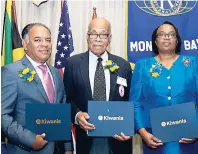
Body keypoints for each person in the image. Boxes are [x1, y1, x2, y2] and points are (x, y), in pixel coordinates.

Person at [129, 21, 198, 154]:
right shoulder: (142, 66)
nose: (167, 37)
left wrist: (197, 126)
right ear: (155, 41)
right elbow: (135, 102)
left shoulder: (191, 63)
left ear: (177, 40)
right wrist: (142, 132)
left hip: (187, 138)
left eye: (171, 34)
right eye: (162, 34)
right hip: (154, 139)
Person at [63, 17, 132, 154]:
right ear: (87, 37)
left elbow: (132, 100)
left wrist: (130, 127)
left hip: (118, 137)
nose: (98, 38)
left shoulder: (123, 65)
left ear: (110, 38)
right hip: (86, 136)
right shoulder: (73, 63)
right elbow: (66, 99)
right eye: (93, 34)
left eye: (103, 34)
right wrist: (77, 115)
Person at [1, 23, 73, 154]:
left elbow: (62, 112)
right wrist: (30, 139)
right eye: (37, 40)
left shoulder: (56, 73)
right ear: (25, 44)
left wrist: (68, 148)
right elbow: (2, 115)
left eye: (48, 40)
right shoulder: (10, 72)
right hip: (25, 150)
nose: (44, 44)